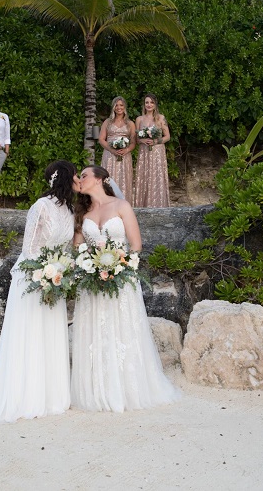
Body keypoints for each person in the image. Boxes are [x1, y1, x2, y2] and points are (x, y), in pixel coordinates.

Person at [0, 160, 80, 429]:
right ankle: (25, 397)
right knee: (31, 334)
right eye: (75, 175)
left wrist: (61, 271)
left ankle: (51, 396)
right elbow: (28, 248)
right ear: (65, 178)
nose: (78, 179)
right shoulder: (41, 206)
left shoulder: (70, 210)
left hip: (56, 280)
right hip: (33, 278)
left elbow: (67, 248)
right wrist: (45, 273)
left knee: (50, 335)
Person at [71, 165, 180, 412]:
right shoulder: (82, 213)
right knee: (95, 332)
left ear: (99, 179)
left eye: (85, 175)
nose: (80, 179)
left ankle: (127, 389)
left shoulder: (121, 206)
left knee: (121, 330)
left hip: (120, 280)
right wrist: (91, 264)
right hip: (92, 281)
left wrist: (117, 264)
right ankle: (97, 389)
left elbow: (136, 245)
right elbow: (77, 247)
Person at [134, 93, 171, 207]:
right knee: (144, 176)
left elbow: (167, 136)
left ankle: (159, 204)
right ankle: (143, 205)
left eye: (151, 102)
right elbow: (136, 138)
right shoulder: (139, 119)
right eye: (147, 102)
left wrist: (155, 142)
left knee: (157, 176)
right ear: (144, 105)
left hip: (157, 152)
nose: (149, 105)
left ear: (155, 104)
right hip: (144, 151)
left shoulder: (161, 118)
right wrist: (142, 140)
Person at [98, 96, 136, 204]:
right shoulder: (107, 122)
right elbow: (101, 139)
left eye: (121, 105)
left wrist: (127, 150)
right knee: (108, 180)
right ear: (113, 107)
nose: (119, 107)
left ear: (125, 107)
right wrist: (112, 150)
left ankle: (124, 207)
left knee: (125, 182)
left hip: (124, 156)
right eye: (116, 105)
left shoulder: (130, 124)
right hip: (109, 156)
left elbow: (133, 142)